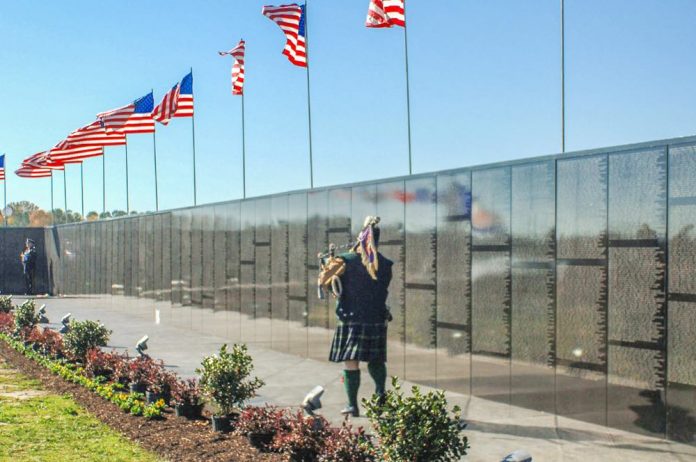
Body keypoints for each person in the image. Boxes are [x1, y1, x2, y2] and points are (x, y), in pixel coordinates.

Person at [328, 216, 393, 417]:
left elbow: (329, 279)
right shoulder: (386, 264)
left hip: (351, 318)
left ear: (361, 237)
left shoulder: (345, 260)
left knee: (351, 361)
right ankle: (381, 395)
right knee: (376, 359)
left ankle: (352, 405)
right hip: (375, 317)